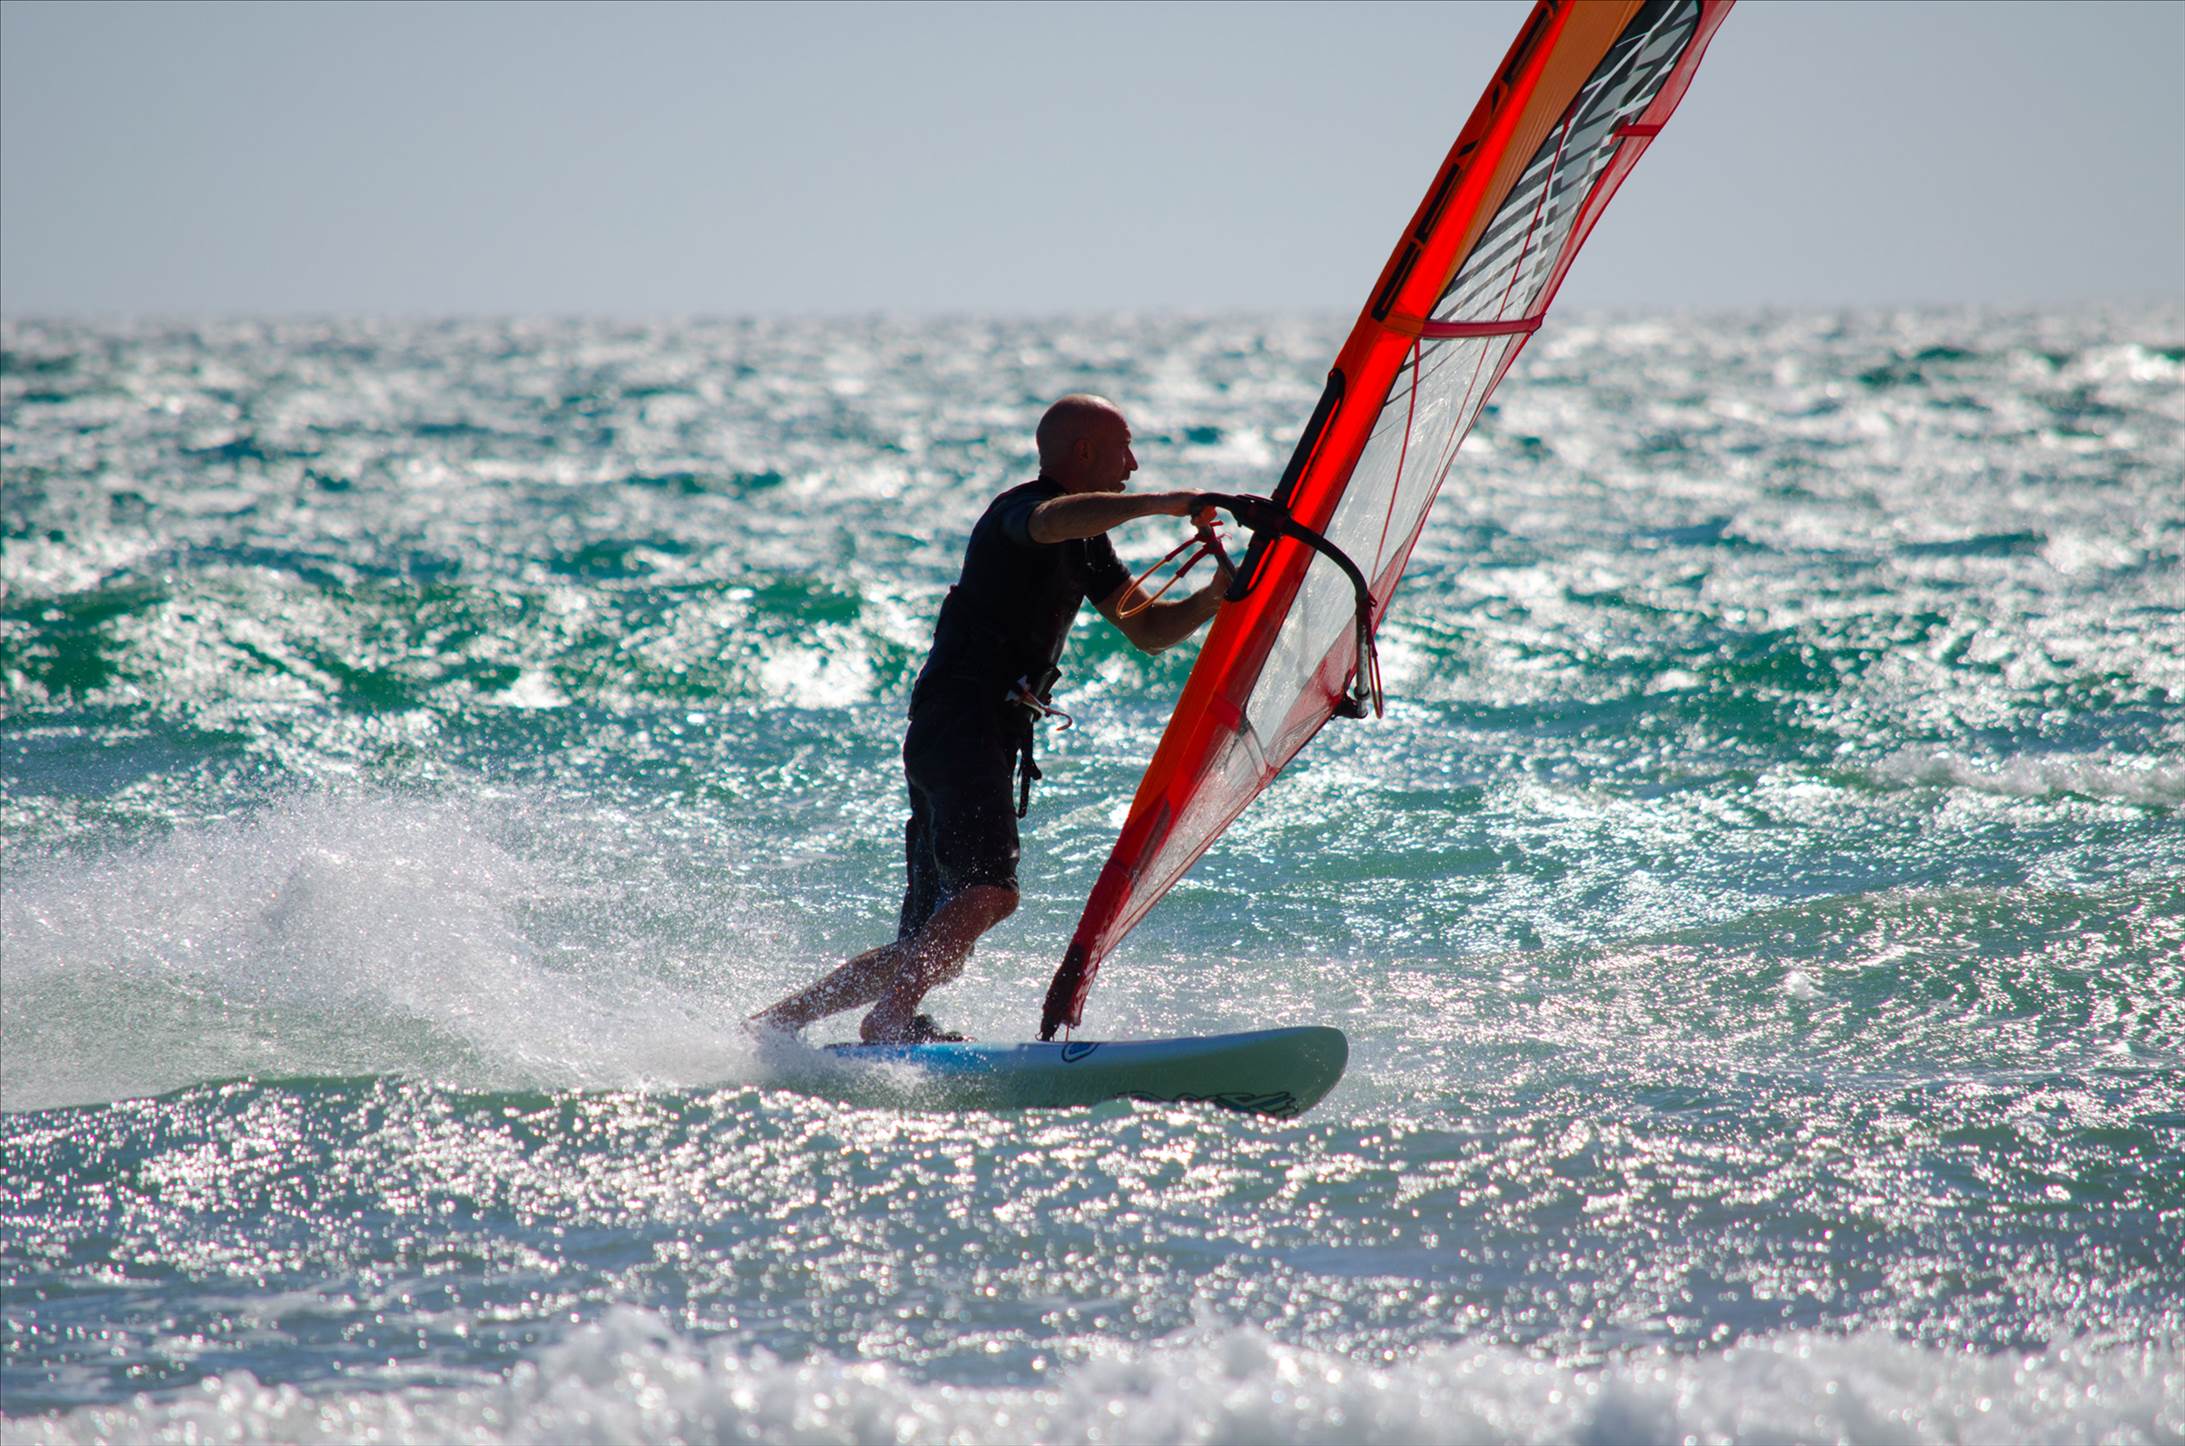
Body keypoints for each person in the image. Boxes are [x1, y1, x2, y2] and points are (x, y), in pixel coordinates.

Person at [753, 394, 1241, 1043]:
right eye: (1124, 449)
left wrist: (1212, 598)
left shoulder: (1087, 544)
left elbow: (1148, 629)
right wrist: (1167, 503)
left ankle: (778, 1024)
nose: (1132, 464)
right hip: (963, 720)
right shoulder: (1020, 513)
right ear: (1084, 451)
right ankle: (890, 1022)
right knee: (990, 892)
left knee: (934, 944)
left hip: (961, 731)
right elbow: (1050, 520)